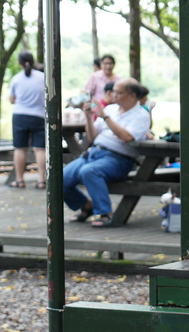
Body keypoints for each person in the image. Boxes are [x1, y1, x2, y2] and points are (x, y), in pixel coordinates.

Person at [62, 78, 151, 227]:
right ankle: (86, 205)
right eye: (113, 92)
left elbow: (126, 137)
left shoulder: (141, 115)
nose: (114, 95)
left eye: (119, 92)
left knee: (89, 171)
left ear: (132, 96)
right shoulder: (110, 109)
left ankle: (106, 213)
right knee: (60, 178)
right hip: (94, 152)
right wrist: (89, 117)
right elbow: (92, 137)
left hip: (119, 158)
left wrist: (105, 117)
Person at [8, 52, 47, 189]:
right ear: (33, 61)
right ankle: (42, 180)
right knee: (40, 149)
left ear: (20, 63)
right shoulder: (43, 77)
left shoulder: (16, 79)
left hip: (20, 115)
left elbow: (12, 100)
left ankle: (19, 180)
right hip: (39, 115)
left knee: (20, 148)